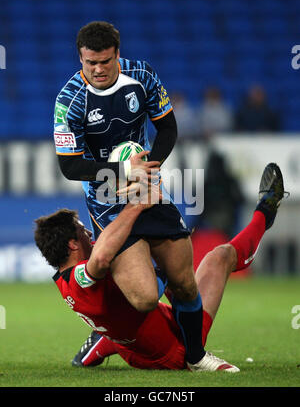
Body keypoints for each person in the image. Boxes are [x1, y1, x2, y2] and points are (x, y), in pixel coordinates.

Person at [53, 20, 207, 370]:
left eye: (105, 61)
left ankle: (196, 359)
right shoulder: (69, 100)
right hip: (106, 201)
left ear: (117, 54)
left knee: (184, 282)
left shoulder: (142, 74)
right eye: (90, 62)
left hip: (146, 185)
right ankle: (106, 334)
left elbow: (167, 127)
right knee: (144, 298)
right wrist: (125, 172)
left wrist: (149, 167)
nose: (98, 69)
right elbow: (70, 167)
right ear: (81, 58)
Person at [34, 163, 286, 372]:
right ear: (72, 244)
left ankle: (99, 343)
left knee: (117, 323)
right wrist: (139, 208)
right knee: (220, 257)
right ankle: (265, 212)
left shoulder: (64, 282)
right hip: (174, 350)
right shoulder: (79, 278)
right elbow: (104, 263)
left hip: (129, 341)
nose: (89, 232)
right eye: (82, 230)